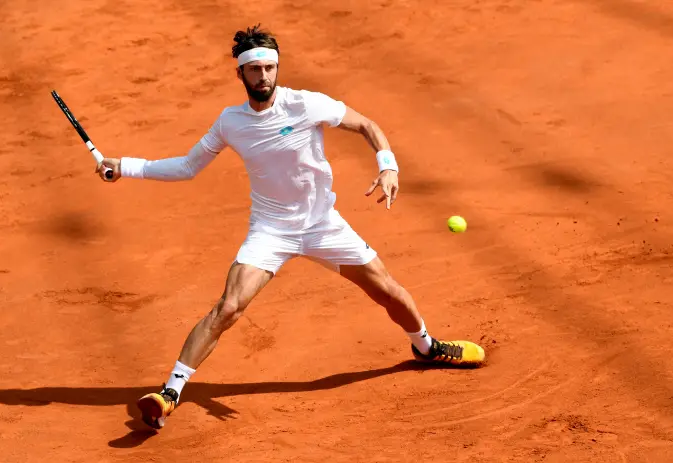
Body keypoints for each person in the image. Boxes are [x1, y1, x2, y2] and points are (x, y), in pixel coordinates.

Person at [96, 24, 486, 430]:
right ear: (240, 75)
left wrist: (388, 166)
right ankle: (170, 392)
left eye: (269, 67)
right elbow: (188, 166)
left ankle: (426, 346)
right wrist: (125, 166)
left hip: (323, 225)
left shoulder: (306, 105)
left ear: (277, 68)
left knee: (388, 292)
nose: (263, 76)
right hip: (271, 230)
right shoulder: (230, 123)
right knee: (228, 307)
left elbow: (367, 125)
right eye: (254, 70)